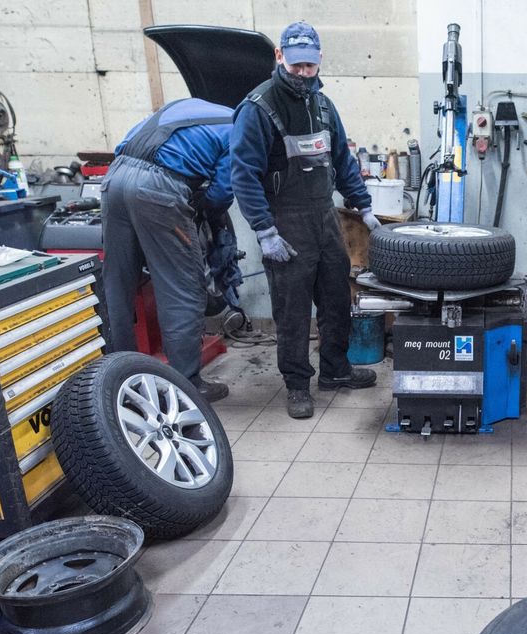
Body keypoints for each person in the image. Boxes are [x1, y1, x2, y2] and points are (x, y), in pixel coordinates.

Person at [230, 21, 382, 419]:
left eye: (309, 67)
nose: (302, 73)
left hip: (324, 217)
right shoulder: (258, 108)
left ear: (319, 62)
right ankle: (297, 384)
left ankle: (335, 370)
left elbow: (343, 162)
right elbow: (243, 175)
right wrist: (264, 231)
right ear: (279, 57)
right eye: (295, 65)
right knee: (293, 310)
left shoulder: (324, 106)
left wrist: (364, 207)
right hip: (286, 222)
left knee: (336, 300)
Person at [102, 97, 235, 402]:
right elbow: (221, 192)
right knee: (182, 289)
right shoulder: (240, 128)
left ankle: (120, 381)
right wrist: (203, 208)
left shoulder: (189, 107)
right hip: (158, 190)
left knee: (117, 287)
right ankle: (187, 386)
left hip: (114, 179)